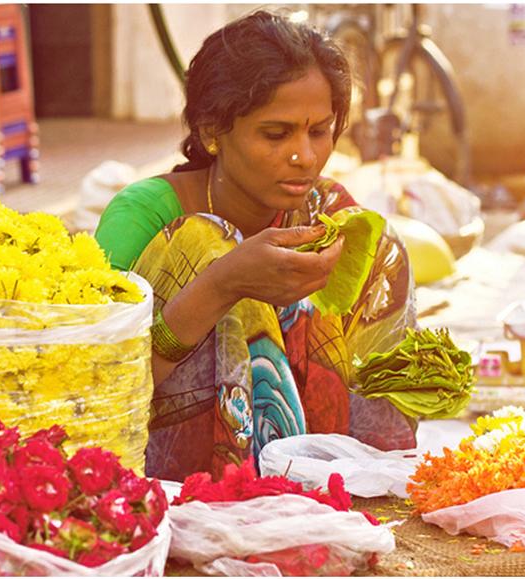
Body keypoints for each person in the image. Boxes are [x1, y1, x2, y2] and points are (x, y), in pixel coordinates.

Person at [95, 10, 416, 481]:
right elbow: (97, 386)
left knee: (375, 244)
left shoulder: (323, 213)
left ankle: (346, 472)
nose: (304, 157)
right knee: (205, 243)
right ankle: (247, 479)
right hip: (161, 472)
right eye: (276, 133)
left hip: (323, 480)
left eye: (319, 131)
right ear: (211, 132)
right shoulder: (143, 216)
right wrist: (222, 284)